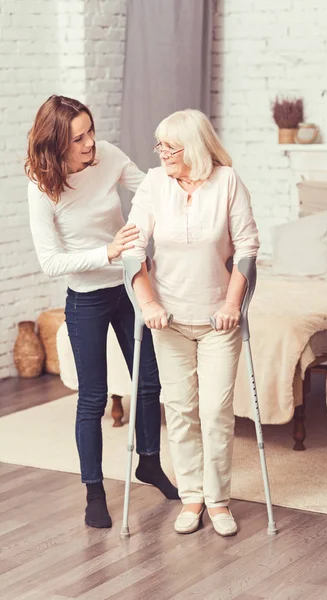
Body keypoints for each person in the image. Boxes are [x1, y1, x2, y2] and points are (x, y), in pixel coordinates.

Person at [25, 95, 179, 530]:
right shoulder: (42, 187)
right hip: (87, 298)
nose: (91, 143)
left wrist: (185, 169)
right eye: (79, 138)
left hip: (129, 287)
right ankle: (94, 490)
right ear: (56, 145)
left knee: (149, 381)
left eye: (91, 131)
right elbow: (51, 262)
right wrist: (106, 250)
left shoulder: (107, 156)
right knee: (92, 398)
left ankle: (148, 462)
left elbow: (148, 187)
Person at [124, 109, 260, 536]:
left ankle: (219, 501)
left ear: (195, 148)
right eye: (159, 145)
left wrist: (232, 303)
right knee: (181, 409)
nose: (161, 152)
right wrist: (147, 304)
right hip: (169, 322)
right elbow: (132, 246)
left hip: (218, 320)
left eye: (170, 146)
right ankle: (192, 497)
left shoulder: (227, 183)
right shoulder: (153, 184)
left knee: (217, 410)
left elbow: (247, 247)